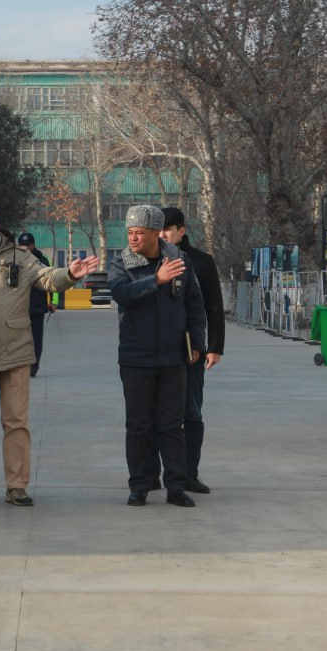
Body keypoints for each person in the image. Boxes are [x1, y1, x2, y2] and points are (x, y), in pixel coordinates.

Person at [0, 201, 99, 507]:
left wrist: (70, 274)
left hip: (15, 355)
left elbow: (47, 278)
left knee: (16, 423)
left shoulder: (21, 257)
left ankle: (16, 486)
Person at [107, 204, 207, 508]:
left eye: (139, 232)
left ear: (155, 233)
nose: (133, 238)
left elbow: (194, 304)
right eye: (130, 232)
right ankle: (140, 485)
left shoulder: (179, 261)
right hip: (136, 359)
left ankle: (176, 486)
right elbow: (121, 294)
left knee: (171, 425)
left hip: (173, 359)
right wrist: (156, 280)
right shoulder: (122, 263)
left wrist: (197, 343)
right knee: (138, 425)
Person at [160, 207, 225, 494]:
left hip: (191, 350)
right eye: (158, 230)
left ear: (181, 231)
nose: (162, 235)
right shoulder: (148, 261)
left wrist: (214, 347)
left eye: (167, 230)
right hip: (156, 349)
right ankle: (155, 473)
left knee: (192, 412)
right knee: (157, 415)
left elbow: (214, 307)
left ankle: (189, 473)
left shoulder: (200, 262)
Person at [16, 232, 53, 377]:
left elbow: (53, 280)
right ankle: (21, 366)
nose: (25, 247)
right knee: (19, 340)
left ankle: (34, 367)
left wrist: (54, 302)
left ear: (33, 245)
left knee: (36, 340)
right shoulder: (14, 259)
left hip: (37, 306)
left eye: (28, 245)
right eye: (22, 245)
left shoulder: (43, 260)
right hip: (19, 306)